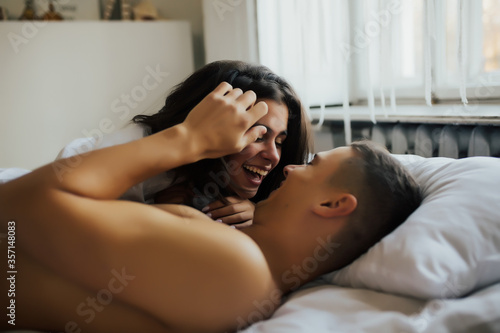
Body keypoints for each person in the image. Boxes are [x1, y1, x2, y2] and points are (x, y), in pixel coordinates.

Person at [0, 82, 422, 333]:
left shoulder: (238, 268)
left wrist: (188, 139)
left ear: (333, 204)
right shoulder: (239, 253)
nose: (287, 167)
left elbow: (19, 207)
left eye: (312, 165)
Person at [56, 60, 311, 227]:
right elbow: (60, 188)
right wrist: (155, 212)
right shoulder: (149, 150)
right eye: (258, 135)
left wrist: (260, 215)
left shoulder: (244, 195)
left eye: (279, 142)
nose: (274, 156)